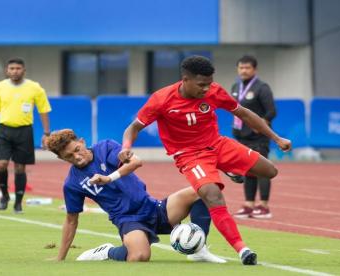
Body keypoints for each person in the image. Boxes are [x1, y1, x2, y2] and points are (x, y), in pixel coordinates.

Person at [119, 56, 291, 265]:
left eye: (209, 83)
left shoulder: (214, 91)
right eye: (201, 85)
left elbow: (244, 114)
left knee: (270, 171)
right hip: (190, 155)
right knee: (213, 195)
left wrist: (276, 138)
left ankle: (228, 168)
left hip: (218, 145)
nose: (206, 89)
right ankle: (242, 250)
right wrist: (126, 149)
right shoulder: (162, 99)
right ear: (185, 80)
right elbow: (133, 128)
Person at [46, 129, 226, 263]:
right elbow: (71, 220)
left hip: (153, 207)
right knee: (139, 256)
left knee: (202, 190)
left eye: (77, 149)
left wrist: (108, 178)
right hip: (128, 220)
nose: (77, 156)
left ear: (83, 141)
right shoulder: (72, 183)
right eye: (69, 156)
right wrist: (60, 257)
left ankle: (198, 250)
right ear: (63, 159)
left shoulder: (105, 148)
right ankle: (107, 252)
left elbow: (136, 162)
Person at [0, 58, 51, 213]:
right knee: (1, 165)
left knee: (20, 168)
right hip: (3, 130)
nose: (15, 71)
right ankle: (5, 195)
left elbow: (44, 110)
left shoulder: (35, 88)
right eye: (12, 68)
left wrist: (47, 133)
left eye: (18, 68)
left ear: (24, 70)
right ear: (7, 71)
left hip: (24, 131)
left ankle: (18, 202)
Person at [230, 55, 276, 219]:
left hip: (258, 138)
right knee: (247, 169)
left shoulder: (262, 88)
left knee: (262, 170)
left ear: (254, 69)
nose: (244, 70)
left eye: (247, 68)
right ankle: (249, 204)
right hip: (242, 136)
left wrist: (261, 124)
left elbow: (271, 111)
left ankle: (263, 206)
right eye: (241, 67)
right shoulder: (235, 86)